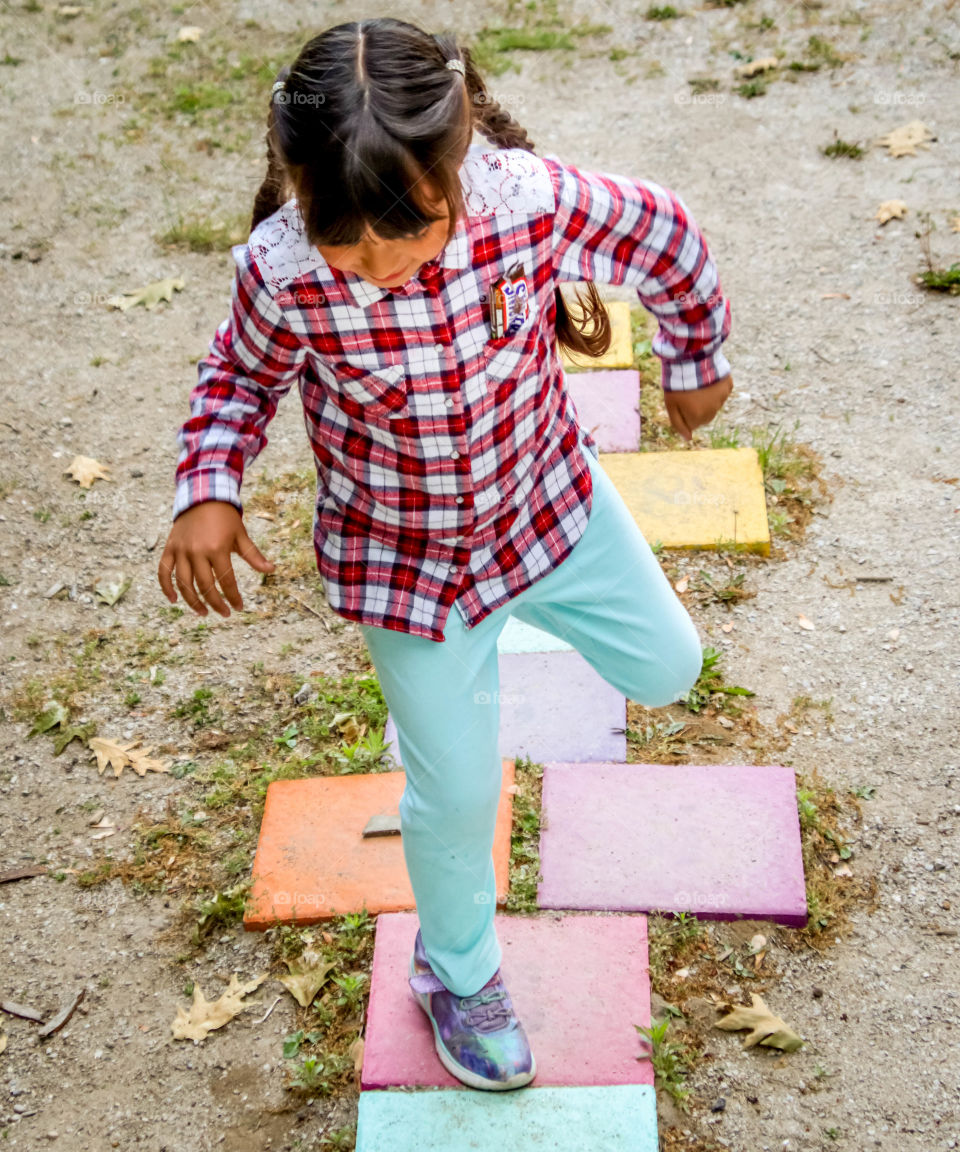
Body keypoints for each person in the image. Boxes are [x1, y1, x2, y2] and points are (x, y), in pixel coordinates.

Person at [158, 17, 733, 1092]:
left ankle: (507, 650)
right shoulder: (284, 274)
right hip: (409, 570)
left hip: (551, 512)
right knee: (457, 793)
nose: (381, 264)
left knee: (671, 668)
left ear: (457, 165)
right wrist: (210, 492)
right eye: (348, 238)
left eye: (410, 228)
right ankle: (457, 971)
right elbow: (236, 380)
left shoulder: (527, 200)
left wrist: (696, 355)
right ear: (298, 184)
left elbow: (666, 231)